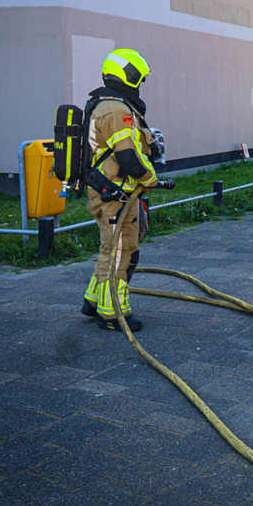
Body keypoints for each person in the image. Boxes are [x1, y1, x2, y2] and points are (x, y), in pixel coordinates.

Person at [80, 48, 171, 332]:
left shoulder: (106, 105)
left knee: (110, 247)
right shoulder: (117, 110)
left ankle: (94, 301)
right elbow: (128, 157)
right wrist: (150, 178)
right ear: (127, 76)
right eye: (137, 78)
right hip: (116, 196)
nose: (139, 84)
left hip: (109, 193)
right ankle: (113, 313)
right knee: (123, 252)